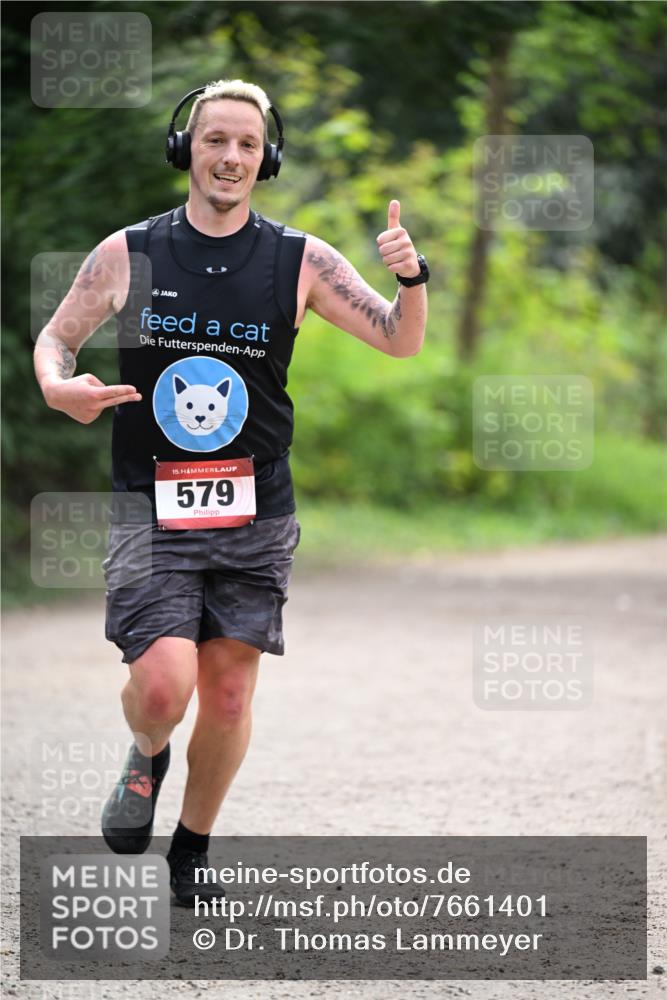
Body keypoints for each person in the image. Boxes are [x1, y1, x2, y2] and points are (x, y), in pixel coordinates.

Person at [33, 79, 429, 907]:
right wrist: (57, 386)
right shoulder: (129, 252)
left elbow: (398, 340)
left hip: (255, 513)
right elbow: (56, 341)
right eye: (215, 139)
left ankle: (192, 850)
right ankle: (146, 751)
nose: (231, 157)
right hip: (151, 509)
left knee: (228, 689)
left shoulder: (301, 260)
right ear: (187, 148)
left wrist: (413, 278)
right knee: (165, 688)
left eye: (247, 144)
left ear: (267, 157)